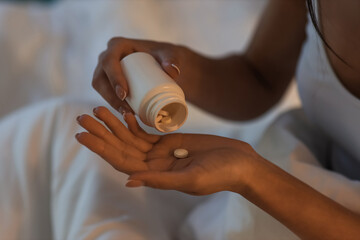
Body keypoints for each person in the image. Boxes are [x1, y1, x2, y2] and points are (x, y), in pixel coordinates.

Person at [75, 0, 360, 239]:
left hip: (322, 215)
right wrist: (170, 66)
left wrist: (252, 176)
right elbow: (259, 76)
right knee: (61, 131)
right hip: (307, 159)